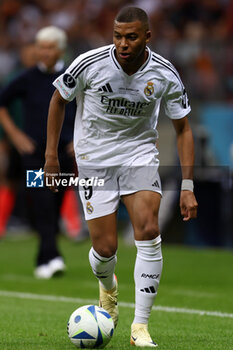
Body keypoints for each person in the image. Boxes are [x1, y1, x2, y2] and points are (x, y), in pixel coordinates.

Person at [44, 7, 198, 347]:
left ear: (146, 37)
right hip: (94, 162)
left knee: (148, 228)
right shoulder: (89, 63)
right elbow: (58, 100)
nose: (122, 44)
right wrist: (51, 156)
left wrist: (187, 185)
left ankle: (140, 327)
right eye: (117, 36)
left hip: (138, 157)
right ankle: (108, 289)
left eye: (130, 37)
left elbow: (183, 128)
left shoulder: (165, 74)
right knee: (104, 248)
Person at [0, 26, 77, 279]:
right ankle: (53, 257)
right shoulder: (26, 77)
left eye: (49, 47)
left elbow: (91, 108)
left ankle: (43, 258)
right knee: (42, 202)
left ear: (61, 49)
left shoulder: (72, 77)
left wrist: (79, 138)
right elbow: (2, 104)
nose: (44, 52)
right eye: (40, 47)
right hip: (34, 153)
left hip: (64, 152)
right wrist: (15, 136)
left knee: (54, 204)